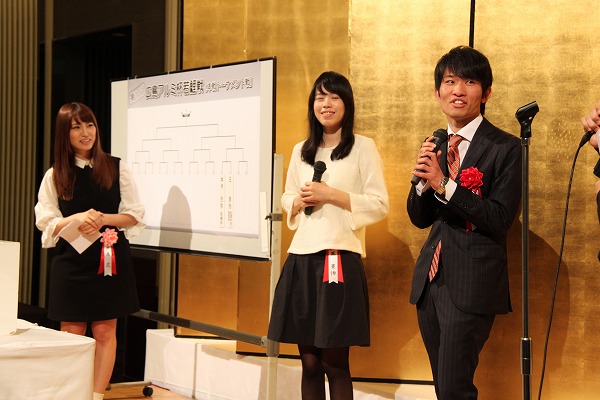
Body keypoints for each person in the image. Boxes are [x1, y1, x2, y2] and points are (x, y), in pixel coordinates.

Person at [406, 46, 522, 399]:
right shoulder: (436, 143)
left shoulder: (506, 147)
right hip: (431, 280)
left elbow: (500, 218)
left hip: (471, 283)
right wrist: (423, 182)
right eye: (450, 81)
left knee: (455, 387)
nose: (458, 90)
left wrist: (444, 183)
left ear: (486, 93)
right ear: (437, 92)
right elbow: (419, 218)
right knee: (444, 388)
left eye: (469, 82)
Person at [267, 71, 389, 399]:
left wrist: (330, 195)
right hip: (301, 259)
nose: (327, 104)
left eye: (334, 97)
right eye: (320, 97)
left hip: (338, 258)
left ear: (346, 105)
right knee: (309, 363)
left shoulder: (363, 147)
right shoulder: (301, 150)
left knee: (334, 362)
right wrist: (297, 201)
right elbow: (287, 196)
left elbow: (380, 204)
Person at [35, 102, 145, 400]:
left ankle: (95, 396)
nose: (86, 133)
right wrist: (76, 218)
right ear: (65, 133)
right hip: (71, 263)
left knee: (105, 332)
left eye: (90, 125)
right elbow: (46, 221)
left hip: (109, 260)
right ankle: (72, 394)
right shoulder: (55, 174)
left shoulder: (116, 167)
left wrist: (102, 218)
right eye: (76, 127)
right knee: (72, 335)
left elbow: (134, 215)